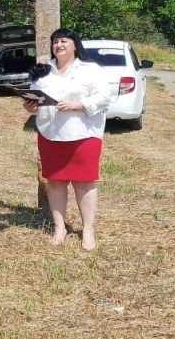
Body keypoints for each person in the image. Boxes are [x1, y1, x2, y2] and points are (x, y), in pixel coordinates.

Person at [23, 27, 110, 251]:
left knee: (84, 182)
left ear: (75, 45)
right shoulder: (45, 71)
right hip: (50, 134)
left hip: (83, 134)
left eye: (63, 41)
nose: (58, 45)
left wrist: (78, 105)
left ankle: (88, 230)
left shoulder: (90, 70)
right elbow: (35, 98)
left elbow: (104, 97)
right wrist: (30, 107)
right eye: (55, 42)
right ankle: (59, 228)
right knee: (55, 182)